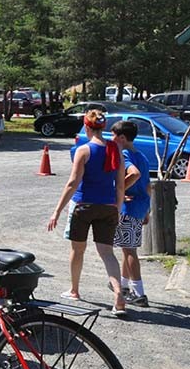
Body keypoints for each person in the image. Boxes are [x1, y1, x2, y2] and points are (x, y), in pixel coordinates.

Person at [47, 109, 127, 317]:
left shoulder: (84, 150)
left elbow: (73, 183)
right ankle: (118, 294)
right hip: (108, 207)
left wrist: (57, 210)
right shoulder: (116, 150)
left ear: (86, 126)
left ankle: (74, 290)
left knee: (78, 250)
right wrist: (117, 208)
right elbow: (120, 186)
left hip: (84, 206)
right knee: (107, 253)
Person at [111, 120, 151, 307]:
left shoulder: (124, 154)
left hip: (129, 208)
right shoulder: (141, 155)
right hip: (140, 207)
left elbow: (134, 174)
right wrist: (147, 211)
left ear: (122, 138)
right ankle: (124, 285)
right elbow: (148, 186)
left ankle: (139, 292)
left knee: (130, 251)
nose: (111, 140)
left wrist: (119, 191)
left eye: (113, 136)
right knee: (127, 247)